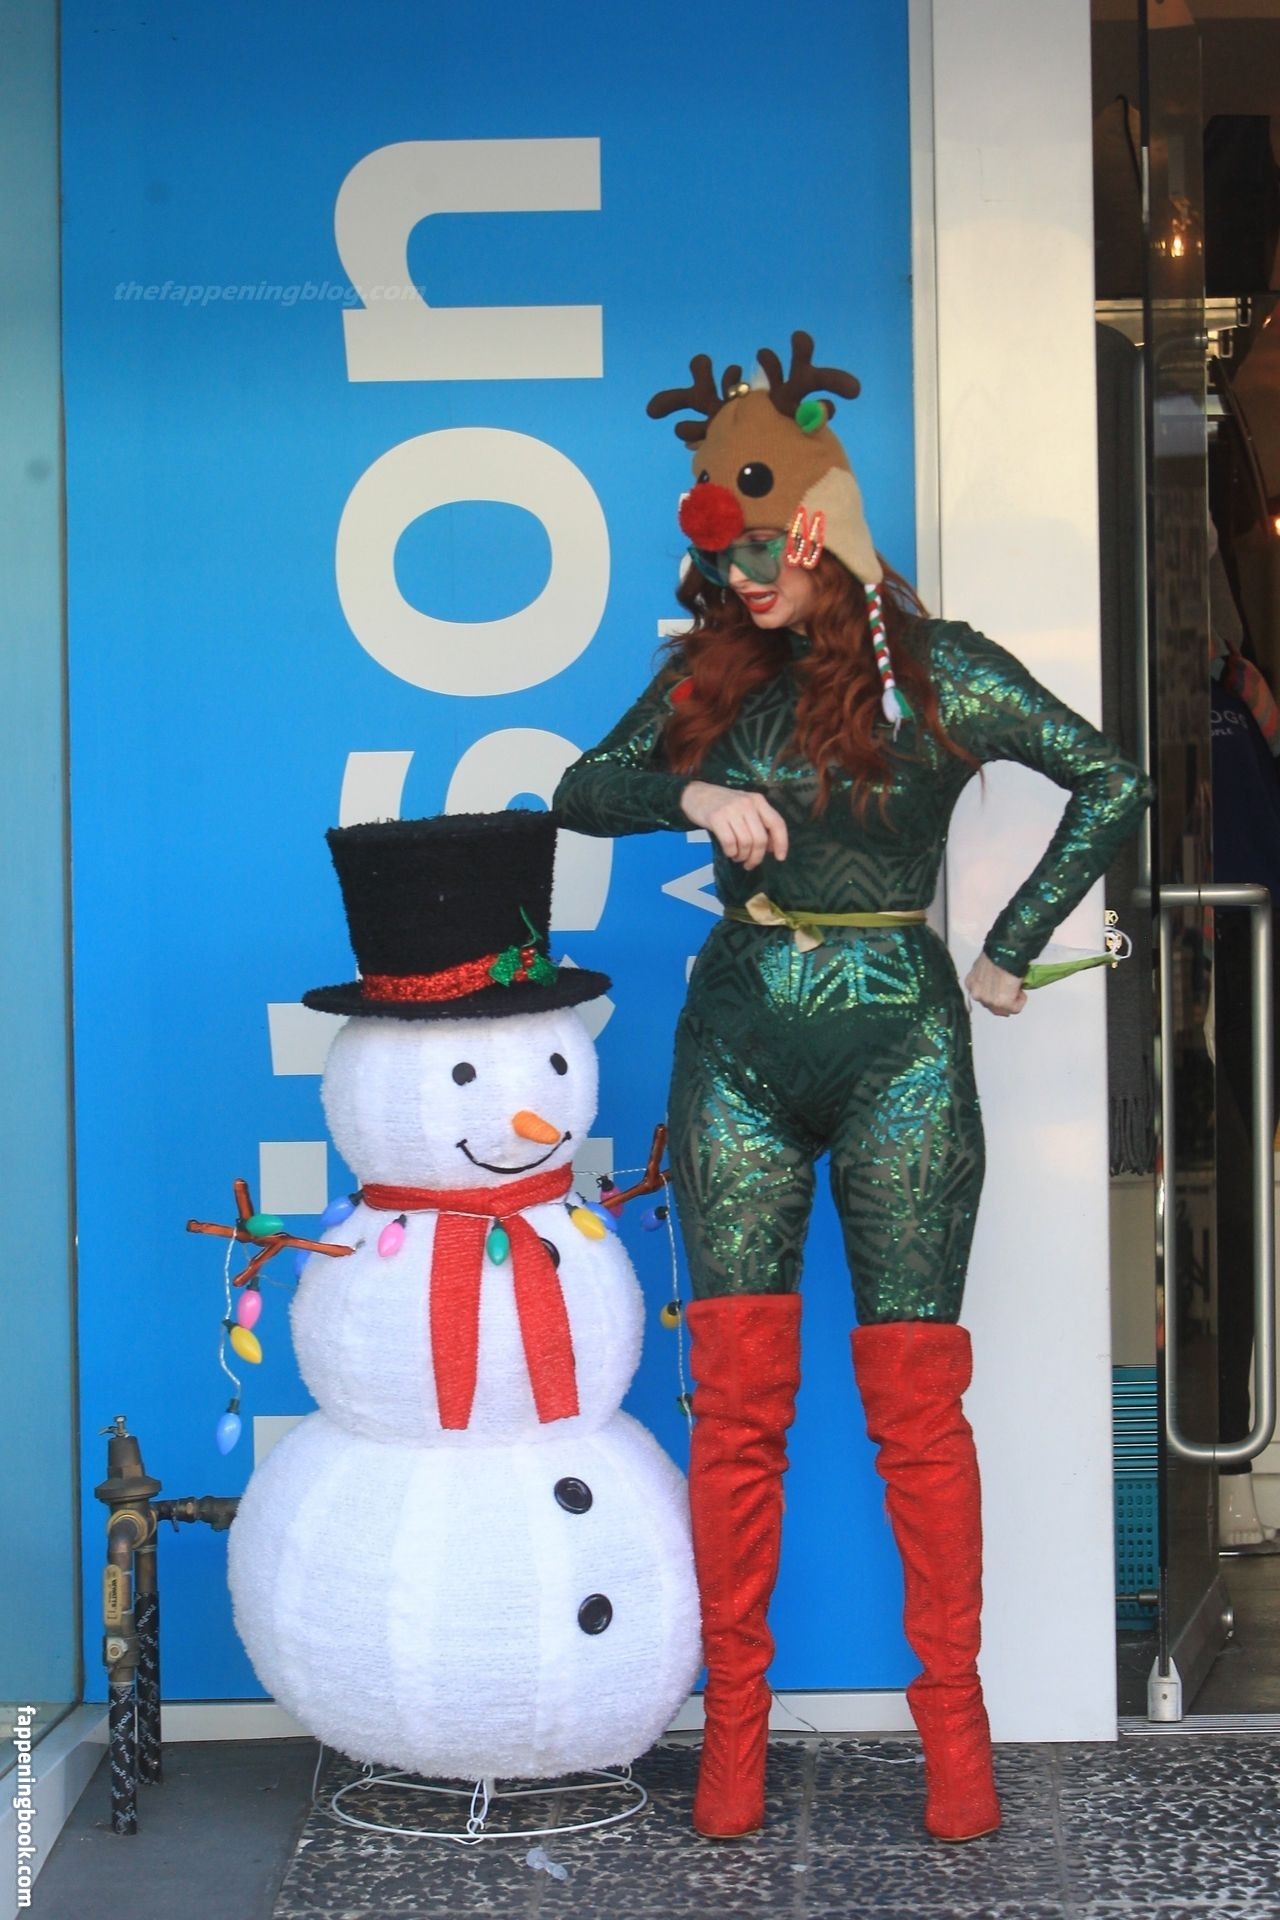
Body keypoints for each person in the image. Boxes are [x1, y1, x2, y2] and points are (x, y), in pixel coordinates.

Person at [552, 332, 1153, 1844]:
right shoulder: (708, 680)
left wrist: (1014, 944)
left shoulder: (938, 673)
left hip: (903, 1047)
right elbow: (579, 789)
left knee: (915, 1403)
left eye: (764, 547)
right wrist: (691, 790)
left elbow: (1111, 777)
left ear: (823, 528)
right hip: (738, 1044)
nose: (743, 577)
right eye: (724, 555)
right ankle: (734, 1742)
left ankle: (958, 1740)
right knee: (738, 1402)